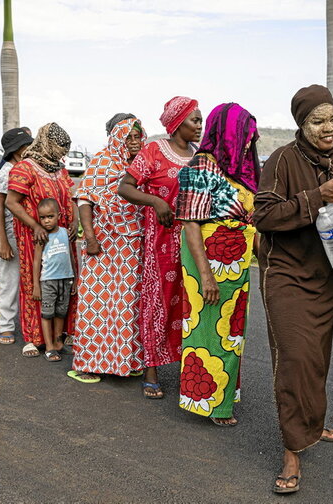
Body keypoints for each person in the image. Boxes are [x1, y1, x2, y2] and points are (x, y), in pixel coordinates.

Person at [253, 85, 333, 493]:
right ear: (302, 124)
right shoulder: (281, 160)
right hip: (286, 273)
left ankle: (312, 424)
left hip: (328, 274)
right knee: (295, 357)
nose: (328, 128)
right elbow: (263, 215)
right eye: (319, 121)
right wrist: (315, 198)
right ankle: (292, 451)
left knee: (316, 356)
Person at [176, 103, 259, 426]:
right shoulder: (202, 167)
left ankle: (223, 396)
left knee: (231, 331)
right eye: (245, 135)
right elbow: (191, 223)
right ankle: (209, 403)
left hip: (236, 263)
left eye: (252, 137)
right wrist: (206, 276)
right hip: (208, 259)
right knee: (207, 330)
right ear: (227, 134)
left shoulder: (237, 168)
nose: (250, 143)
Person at [118, 96, 202, 399]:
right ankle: (151, 369)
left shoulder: (198, 156)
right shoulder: (153, 151)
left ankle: (188, 368)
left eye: (201, 120)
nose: (200, 126)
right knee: (159, 302)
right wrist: (155, 201)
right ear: (177, 122)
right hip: (161, 244)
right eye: (194, 120)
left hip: (194, 243)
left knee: (190, 304)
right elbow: (124, 186)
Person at [68, 114, 146, 384]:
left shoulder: (142, 162)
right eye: (129, 137)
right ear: (116, 137)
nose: (135, 142)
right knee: (97, 304)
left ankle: (125, 360)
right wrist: (89, 238)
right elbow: (85, 199)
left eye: (138, 136)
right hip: (103, 243)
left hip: (133, 243)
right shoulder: (103, 160)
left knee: (127, 304)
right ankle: (90, 362)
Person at [6, 122, 77, 358]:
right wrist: (35, 225)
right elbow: (11, 202)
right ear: (47, 143)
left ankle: (58, 337)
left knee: (61, 287)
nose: (61, 153)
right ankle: (33, 338)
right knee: (35, 284)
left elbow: (70, 198)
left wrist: (74, 221)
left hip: (60, 238)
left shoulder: (59, 169)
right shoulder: (25, 168)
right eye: (58, 148)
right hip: (34, 236)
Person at [0, 127, 34, 345]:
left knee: (31, 278)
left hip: (29, 229)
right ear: (18, 150)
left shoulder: (27, 167)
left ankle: (29, 323)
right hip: (11, 228)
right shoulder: (7, 171)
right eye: (27, 145)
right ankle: (6, 325)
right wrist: (4, 241)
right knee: (10, 277)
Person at [32, 198, 76, 362]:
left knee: (61, 312)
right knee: (47, 314)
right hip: (48, 281)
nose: (46, 221)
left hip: (66, 279)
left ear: (58, 215)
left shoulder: (65, 233)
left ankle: (58, 343)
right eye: (42, 218)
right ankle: (49, 347)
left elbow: (71, 256)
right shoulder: (42, 236)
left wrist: (75, 279)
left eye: (50, 216)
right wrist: (36, 286)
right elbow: (36, 262)